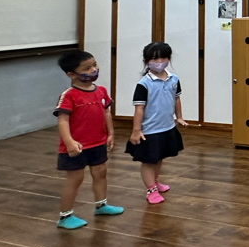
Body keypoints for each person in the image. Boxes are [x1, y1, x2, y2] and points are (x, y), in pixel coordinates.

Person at [53, 50, 123, 229]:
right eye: (87, 68)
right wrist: (69, 142)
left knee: (100, 173)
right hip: (76, 147)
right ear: (71, 74)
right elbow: (63, 120)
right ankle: (65, 216)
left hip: (98, 143)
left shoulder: (101, 91)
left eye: (94, 65)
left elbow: (106, 112)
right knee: (75, 179)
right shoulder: (69, 95)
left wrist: (110, 133)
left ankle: (101, 205)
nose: (93, 70)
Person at [126, 42, 188, 203]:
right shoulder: (143, 84)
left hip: (167, 127)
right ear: (146, 61)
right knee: (148, 161)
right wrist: (136, 130)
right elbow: (139, 108)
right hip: (149, 131)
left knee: (159, 157)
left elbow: (176, 98)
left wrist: (179, 117)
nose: (159, 62)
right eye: (155, 59)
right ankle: (151, 189)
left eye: (163, 58)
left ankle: (154, 181)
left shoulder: (173, 79)